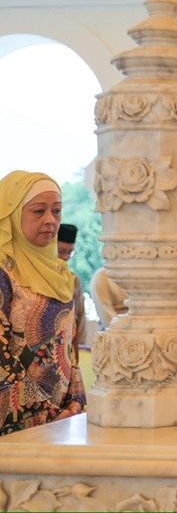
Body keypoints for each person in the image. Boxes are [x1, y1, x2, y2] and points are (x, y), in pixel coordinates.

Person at [0, 170, 85, 435]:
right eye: (38, 211)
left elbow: (67, 347)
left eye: (56, 211)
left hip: (61, 419)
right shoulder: (4, 273)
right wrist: (46, 412)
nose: (50, 220)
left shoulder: (61, 275)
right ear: (12, 215)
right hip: (13, 424)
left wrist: (75, 399)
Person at [57, 223, 87, 360]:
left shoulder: (74, 280)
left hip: (69, 347)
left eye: (70, 252)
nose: (66, 256)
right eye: (61, 251)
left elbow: (80, 319)